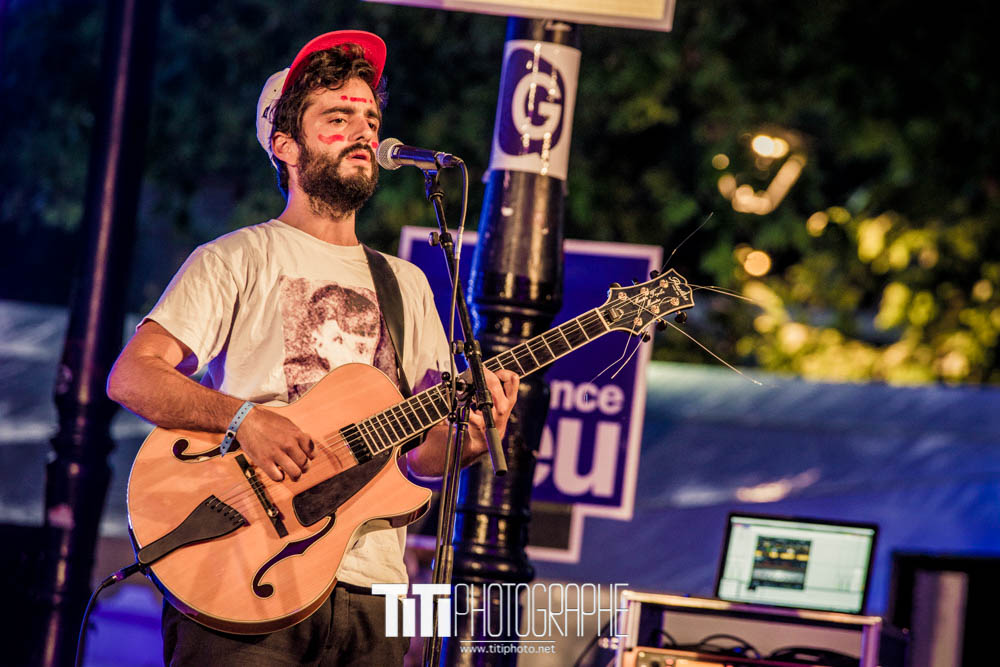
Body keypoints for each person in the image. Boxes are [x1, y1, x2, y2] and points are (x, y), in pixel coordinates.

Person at [107, 29, 519, 666]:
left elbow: (420, 460)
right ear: (285, 145)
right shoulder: (237, 256)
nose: (362, 132)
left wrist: (463, 442)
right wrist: (244, 419)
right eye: (337, 117)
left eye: (370, 117)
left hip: (375, 589)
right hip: (245, 572)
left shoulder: (406, 282)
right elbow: (133, 377)